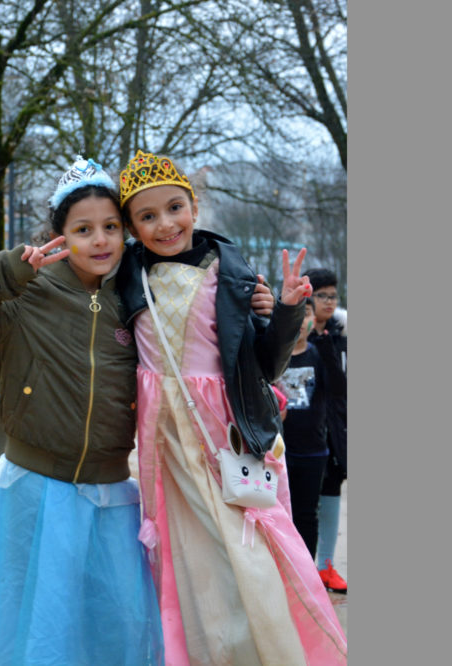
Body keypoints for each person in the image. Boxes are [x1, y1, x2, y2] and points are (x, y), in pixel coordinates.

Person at [115, 150, 348, 665]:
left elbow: (264, 364)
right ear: (130, 227)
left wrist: (287, 309)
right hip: (164, 440)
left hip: (225, 432)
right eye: (146, 216)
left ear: (194, 207)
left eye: (174, 207)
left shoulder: (230, 271)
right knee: (186, 558)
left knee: (247, 551)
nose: (164, 224)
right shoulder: (126, 276)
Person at [0, 157, 163, 665]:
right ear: (58, 235)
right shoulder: (27, 291)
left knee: (114, 624)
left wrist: (272, 314)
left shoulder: (136, 297)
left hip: (111, 493)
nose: (100, 240)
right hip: (37, 489)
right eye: (83, 229)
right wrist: (4, 274)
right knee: (37, 625)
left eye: (111, 227)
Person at [278, 296, 346, 565]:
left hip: (313, 451)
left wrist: (329, 349)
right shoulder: (273, 354)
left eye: (306, 313)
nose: (301, 320)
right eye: (294, 314)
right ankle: (284, 570)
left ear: (313, 319)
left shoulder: (319, 352)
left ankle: (307, 570)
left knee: (307, 515)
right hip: (280, 452)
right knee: (282, 514)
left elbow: (339, 390)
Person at [303, 267, 348, 593]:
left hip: (336, 428)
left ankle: (326, 567)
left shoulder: (339, 335)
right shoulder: (289, 334)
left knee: (331, 492)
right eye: (322, 295)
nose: (329, 302)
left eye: (333, 295)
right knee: (304, 504)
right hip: (301, 435)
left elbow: (340, 387)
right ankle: (302, 567)